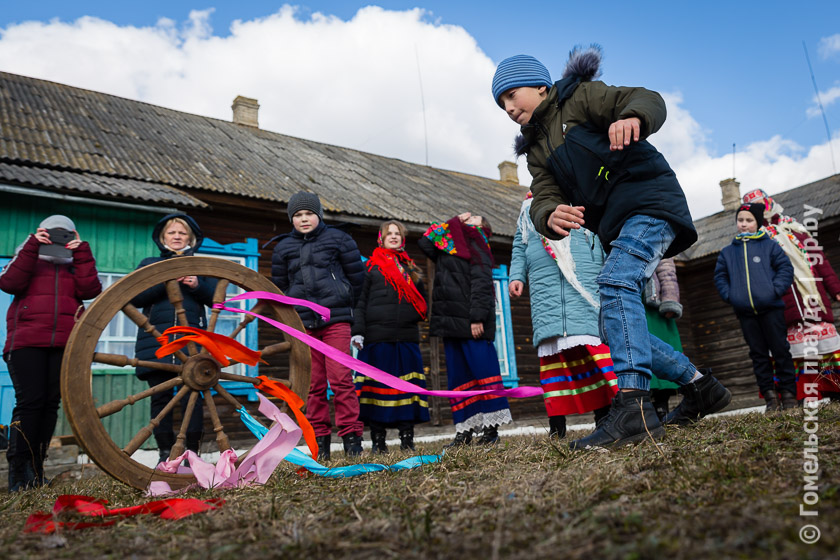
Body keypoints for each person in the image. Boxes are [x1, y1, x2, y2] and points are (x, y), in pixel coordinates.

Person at [491, 47, 731, 449]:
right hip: (616, 225)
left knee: (615, 283)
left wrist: (634, 117)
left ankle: (635, 408)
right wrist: (548, 214)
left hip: (650, 202)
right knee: (612, 324)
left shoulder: (580, 98)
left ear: (540, 85)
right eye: (501, 104)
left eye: (512, 95)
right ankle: (699, 385)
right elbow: (544, 195)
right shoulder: (536, 151)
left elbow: (645, 98)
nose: (509, 107)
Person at [1, 215, 101, 490]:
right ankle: (17, 472)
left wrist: (81, 251)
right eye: (53, 232)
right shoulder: (28, 256)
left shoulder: (75, 262)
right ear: (41, 232)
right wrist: (33, 245)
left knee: (49, 406)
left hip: (64, 346)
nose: (59, 236)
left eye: (65, 233)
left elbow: (91, 289)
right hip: (26, 344)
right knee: (30, 404)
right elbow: (9, 282)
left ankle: (35, 470)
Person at [508, 193, 616, 438]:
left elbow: (602, 237)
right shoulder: (529, 206)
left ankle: (604, 417)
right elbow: (519, 243)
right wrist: (516, 275)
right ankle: (557, 426)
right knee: (554, 361)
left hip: (583, 285)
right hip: (545, 291)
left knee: (594, 357)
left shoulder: (583, 195)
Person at [270, 191, 366, 460]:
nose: (303, 219)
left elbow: (357, 280)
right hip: (303, 326)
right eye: (298, 215)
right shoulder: (283, 248)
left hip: (335, 320)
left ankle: (351, 439)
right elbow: (279, 288)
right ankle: (320, 443)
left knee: (341, 380)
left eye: (309, 213)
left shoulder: (339, 239)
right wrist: (294, 312)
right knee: (313, 385)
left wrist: (344, 298)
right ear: (291, 219)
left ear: (319, 215)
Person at [418, 212, 512, 446]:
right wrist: (453, 220)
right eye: (466, 220)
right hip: (451, 323)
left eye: (474, 219)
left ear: (483, 226)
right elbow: (424, 241)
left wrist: (477, 318)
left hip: (472, 323)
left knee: (484, 375)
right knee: (459, 380)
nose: (468, 221)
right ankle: (465, 431)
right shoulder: (448, 247)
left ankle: (491, 431)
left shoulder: (478, 242)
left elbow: (481, 282)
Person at [132, 214, 216, 463]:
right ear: (162, 238)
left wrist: (196, 285)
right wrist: (165, 280)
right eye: (172, 233)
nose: (177, 237)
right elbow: (136, 298)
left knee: (193, 397)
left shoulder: (201, 265)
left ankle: (192, 453)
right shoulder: (149, 263)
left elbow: (216, 299)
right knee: (161, 400)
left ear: (190, 238)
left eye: (182, 233)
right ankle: (165, 453)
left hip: (192, 343)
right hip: (157, 343)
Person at [742, 189, 840, 402]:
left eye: (763, 204)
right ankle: (803, 394)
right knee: (796, 351)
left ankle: (834, 389)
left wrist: (836, 289)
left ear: (770, 203)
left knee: (825, 345)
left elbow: (819, 261)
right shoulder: (753, 239)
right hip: (783, 303)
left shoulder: (795, 229)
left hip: (812, 297)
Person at [351, 220, 430, 453]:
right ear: (381, 238)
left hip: (406, 339)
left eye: (398, 234)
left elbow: (422, 303)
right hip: (376, 340)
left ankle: (407, 438)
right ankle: (378, 440)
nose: (393, 237)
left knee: (406, 388)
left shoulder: (411, 270)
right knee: (376, 392)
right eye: (389, 234)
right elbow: (360, 303)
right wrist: (358, 331)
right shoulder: (371, 268)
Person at [714, 203, 795, 413]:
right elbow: (720, 277)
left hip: (772, 309)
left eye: (749, 220)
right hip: (746, 313)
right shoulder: (728, 252)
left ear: (757, 223)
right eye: (740, 220)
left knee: (781, 351)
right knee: (758, 355)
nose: (744, 224)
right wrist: (731, 296)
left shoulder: (770, 246)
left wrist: (774, 290)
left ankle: (789, 396)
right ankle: (770, 398)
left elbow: (785, 268)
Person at [644, 258, 684, 420]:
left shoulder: (656, 236)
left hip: (655, 303)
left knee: (663, 351)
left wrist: (670, 300)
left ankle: (662, 404)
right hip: (631, 300)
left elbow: (666, 270)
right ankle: (646, 408)